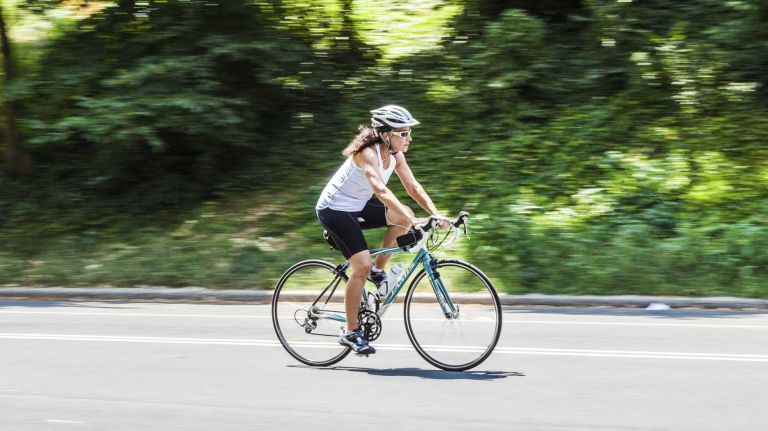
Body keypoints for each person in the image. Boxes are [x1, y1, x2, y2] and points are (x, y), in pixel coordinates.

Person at [315, 105, 449, 355]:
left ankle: (379, 271)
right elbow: (380, 189)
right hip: (335, 209)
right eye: (404, 133)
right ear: (386, 134)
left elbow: (413, 187)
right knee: (360, 265)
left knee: (402, 218)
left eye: (409, 133)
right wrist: (408, 213)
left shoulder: (396, 155)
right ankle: (351, 331)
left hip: (359, 206)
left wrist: (435, 213)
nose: (409, 138)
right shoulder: (368, 153)